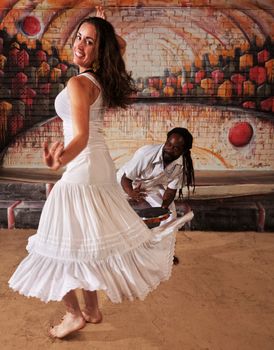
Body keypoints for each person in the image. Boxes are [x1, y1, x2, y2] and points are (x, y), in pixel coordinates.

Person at [8, 8, 193, 339]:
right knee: (84, 239)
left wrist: (58, 158)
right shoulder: (99, 79)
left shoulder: (79, 83)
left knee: (57, 243)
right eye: (78, 37)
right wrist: (104, 28)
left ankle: (73, 314)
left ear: (99, 50)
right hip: (100, 167)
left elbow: (80, 137)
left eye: (89, 42)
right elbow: (118, 45)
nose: (79, 45)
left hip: (83, 167)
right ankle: (91, 310)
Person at [117, 127, 195, 221]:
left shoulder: (182, 166)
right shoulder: (145, 153)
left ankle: (159, 235)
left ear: (183, 151)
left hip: (151, 186)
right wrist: (131, 193)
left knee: (169, 217)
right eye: (168, 144)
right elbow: (125, 179)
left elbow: (170, 191)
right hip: (125, 183)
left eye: (175, 148)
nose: (169, 149)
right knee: (122, 216)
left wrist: (164, 207)